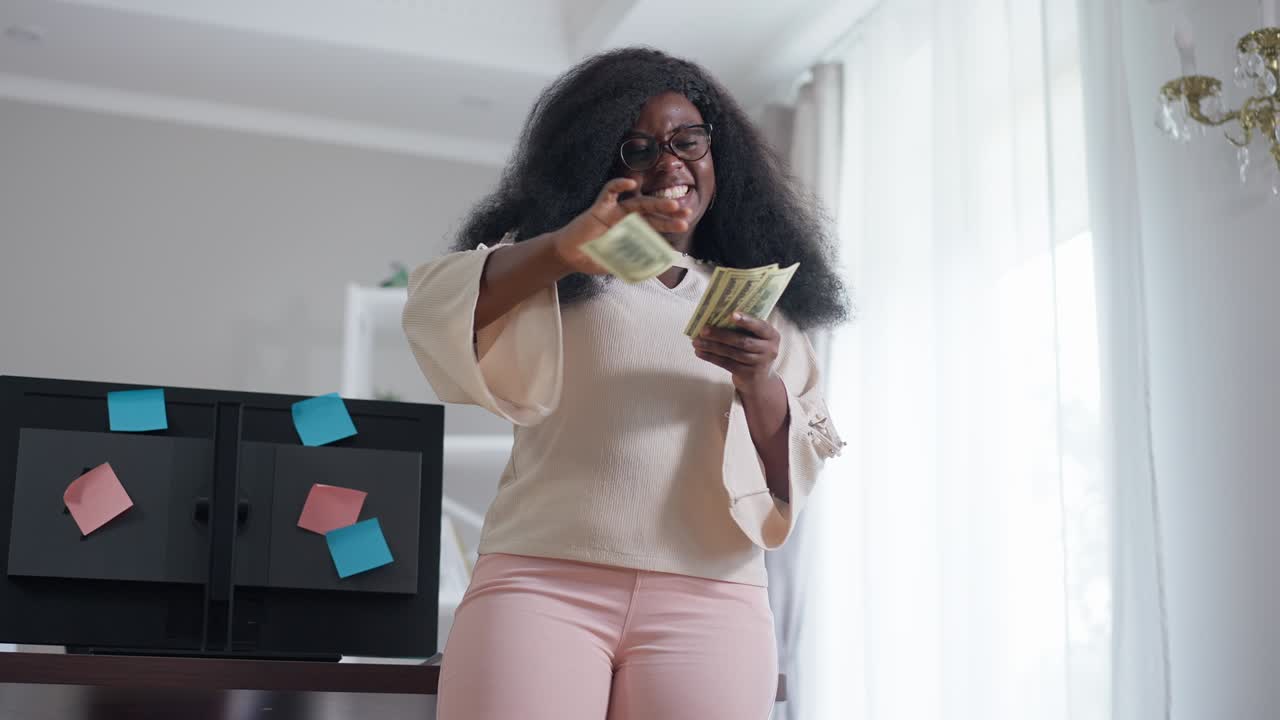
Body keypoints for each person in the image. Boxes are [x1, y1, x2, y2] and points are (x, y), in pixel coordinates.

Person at [402, 46, 848, 720]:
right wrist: (562, 247)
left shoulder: (762, 308)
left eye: (687, 140)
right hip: (540, 583)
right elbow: (438, 307)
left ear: (715, 152)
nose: (670, 162)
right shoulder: (554, 274)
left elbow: (799, 465)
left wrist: (757, 379)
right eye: (637, 149)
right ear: (597, 164)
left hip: (713, 598)